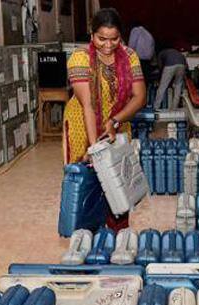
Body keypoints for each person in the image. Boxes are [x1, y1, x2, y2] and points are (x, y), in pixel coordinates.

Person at [62, 8, 147, 231]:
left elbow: (139, 97)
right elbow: (88, 105)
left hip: (118, 124)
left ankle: (117, 238)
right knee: (88, 184)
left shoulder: (129, 56)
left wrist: (115, 122)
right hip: (84, 125)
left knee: (119, 184)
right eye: (101, 39)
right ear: (92, 35)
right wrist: (94, 148)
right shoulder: (79, 58)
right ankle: (88, 240)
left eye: (114, 39)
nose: (108, 45)